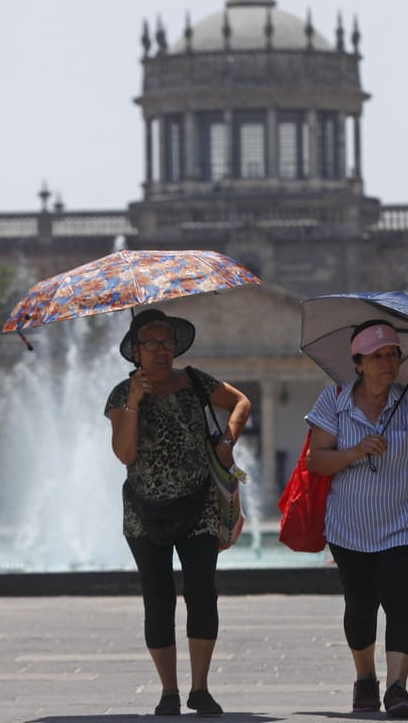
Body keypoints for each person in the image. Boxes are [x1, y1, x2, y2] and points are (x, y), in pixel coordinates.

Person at [106, 308, 251, 718]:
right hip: (143, 510)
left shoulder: (196, 382)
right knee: (158, 598)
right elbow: (125, 454)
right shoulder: (121, 395)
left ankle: (200, 688)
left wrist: (227, 439)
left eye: (166, 342)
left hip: (200, 504)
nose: (160, 350)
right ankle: (168, 689)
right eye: (150, 343)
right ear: (136, 351)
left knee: (202, 592)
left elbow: (240, 401)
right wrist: (135, 401)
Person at [305, 320, 408, 718]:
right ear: (358, 363)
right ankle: (365, 678)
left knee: (400, 599)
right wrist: (354, 452)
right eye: (377, 356)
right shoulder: (333, 401)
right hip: (351, 526)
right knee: (361, 604)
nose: (387, 363)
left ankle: (397, 687)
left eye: (392, 355)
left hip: (405, 520)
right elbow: (316, 460)